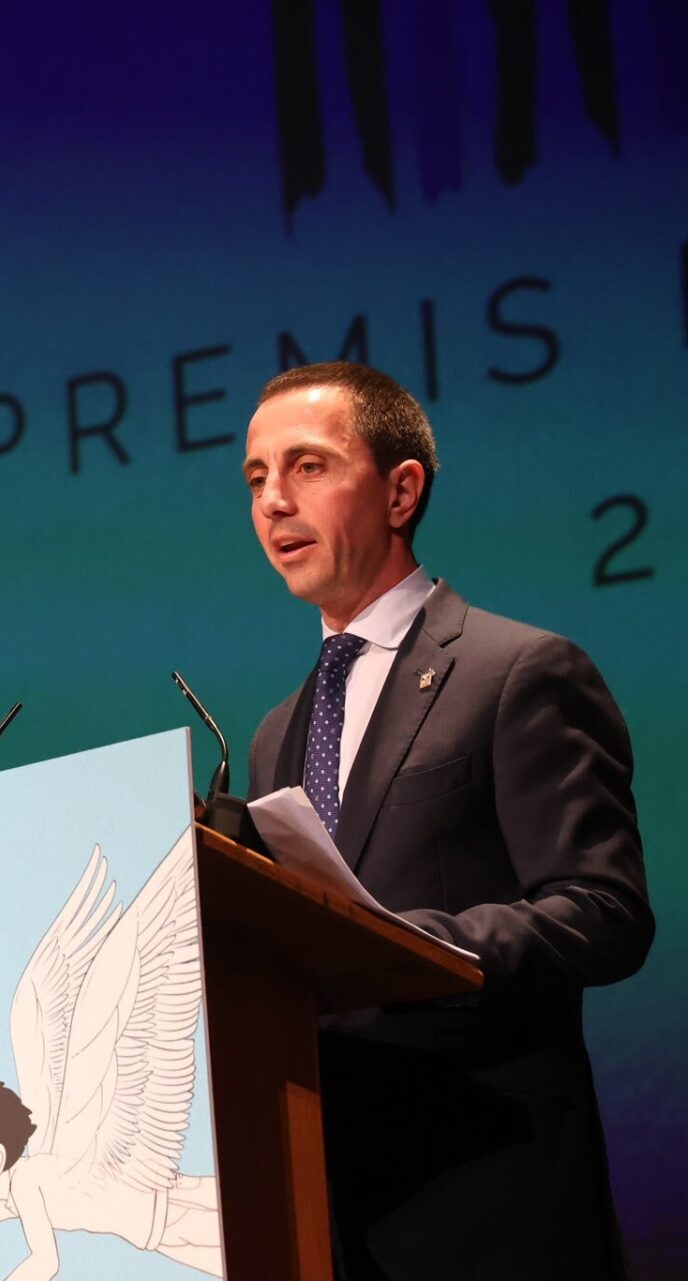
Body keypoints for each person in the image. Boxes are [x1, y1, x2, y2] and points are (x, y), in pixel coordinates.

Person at [241, 361, 653, 1278]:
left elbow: (606, 911)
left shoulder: (518, 672)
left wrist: (403, 945)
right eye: (257, 476)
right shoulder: (277, 731)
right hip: (331, 1210)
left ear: (401, 491)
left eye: (307, 466)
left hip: (491, 1202)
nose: (273, 501)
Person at [0, 1082, 222, 1277]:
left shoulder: (25, 1183)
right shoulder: (12, 1191)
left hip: (161, 1213)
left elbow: (46, 1260)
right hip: (155, 1216)